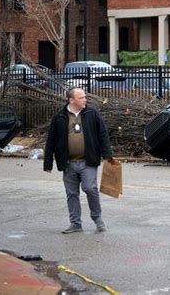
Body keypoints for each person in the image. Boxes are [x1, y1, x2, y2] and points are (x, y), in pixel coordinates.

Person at [44, 87, 113, 234]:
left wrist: (107, 155)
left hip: (88, 161)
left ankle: (97, 218)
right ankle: (75, 223)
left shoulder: (92, 113)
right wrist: (48, 163)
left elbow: (103, 135)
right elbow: (51, 141)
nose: (85, 99)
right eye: (81, 97)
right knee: (72, 193)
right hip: (68, 163)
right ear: (72, 100)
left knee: (90, 188)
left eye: (84, 97)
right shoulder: (60, 117)